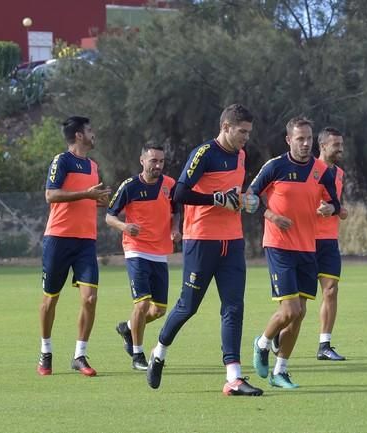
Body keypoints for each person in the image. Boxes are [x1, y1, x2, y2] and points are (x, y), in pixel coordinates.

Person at [145, 104, 263, 397]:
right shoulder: (204, 153)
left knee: (234, 306)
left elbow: (233, 195)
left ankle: (233, 377)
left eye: (248, 132)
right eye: (241, 131)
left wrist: (246, 201)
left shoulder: (241, 155)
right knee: (188, 307)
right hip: (201, 241)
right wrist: (216, 198)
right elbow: (180, 193)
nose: (246, 137)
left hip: (232, 241)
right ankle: (159, 352)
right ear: (225, 127)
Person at [248, 116, 341, 389]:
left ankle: (281, 371)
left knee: (299, 314)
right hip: (278, 245)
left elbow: (335, 203)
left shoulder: (321, 170)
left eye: (309, 139)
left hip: (307, 247)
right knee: (290, 309)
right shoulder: (275, 167)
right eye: (299, 139)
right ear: (289, 140)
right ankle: (263, 342)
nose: (305, 144)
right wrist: (271, 216)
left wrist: (329, 208)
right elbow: (250, 197)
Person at [37, 116, 111, 376]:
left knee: (90, 298)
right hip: (58, 238)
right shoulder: (62, 161)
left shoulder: (93, 165)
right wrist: (87, 194)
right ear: (79, 135)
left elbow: (88, 198)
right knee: (50, 300)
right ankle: (45, 351)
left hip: (86, 242)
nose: (93, 134)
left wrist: (100, 199)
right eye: (90, 130)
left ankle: (80, 355)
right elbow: (51, 195)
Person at [106, 145, 181, 371]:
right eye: (153, 161)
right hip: (136, 250)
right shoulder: (130, 186)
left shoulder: (170, 185)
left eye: (161, 161)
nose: (157, 165)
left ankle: (128, 328)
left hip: (160, 252)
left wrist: (175, 228)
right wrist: (124, 226)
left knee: (158, 310)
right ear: (142, 160)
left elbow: (176, 210)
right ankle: (138, 355)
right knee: (142, 304)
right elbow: (109, 217)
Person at [314, 127, 349, 361]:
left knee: (331, 290)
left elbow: (337, 205)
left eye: (341, 144)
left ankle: (324, 345)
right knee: (297, 303)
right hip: (304, 240)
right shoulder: (309, 170)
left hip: (329, 240)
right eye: (336, 144)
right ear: (323, 146)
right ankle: (277, 332)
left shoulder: (339, 174)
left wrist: (339, 210)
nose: (340, 149)